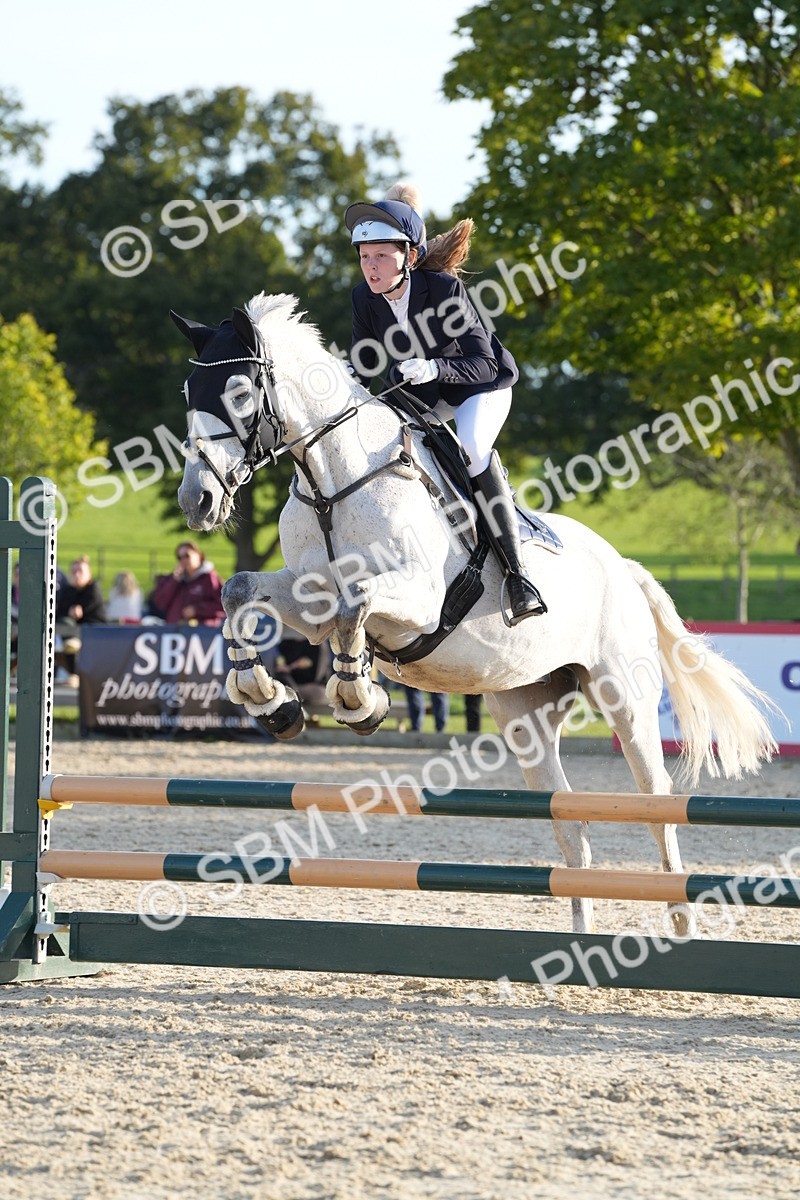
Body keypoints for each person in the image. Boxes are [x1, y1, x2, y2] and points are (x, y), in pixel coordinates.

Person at [345, 182, 547, 625]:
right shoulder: (363, 298)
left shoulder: (442, 289)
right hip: (425, 397)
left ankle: (518, 577)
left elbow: (484, 363)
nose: (371, 267)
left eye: (382, 256)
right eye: (365, 257)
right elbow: (362, 366)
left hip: (479, 388)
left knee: (471, 446)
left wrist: (435, 368)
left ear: (409, 257)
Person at [55, 556, 107, 683]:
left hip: (94, 631)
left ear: (89, 574)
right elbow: (60, 612)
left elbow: (85, 609)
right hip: (72, 633)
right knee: (65, 627)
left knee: (71, 635)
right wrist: (69, 611)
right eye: (74, 571)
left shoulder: (93, 588)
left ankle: (78, 673)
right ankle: (73, 673)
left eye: (80, 571)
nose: (77, 575)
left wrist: (76, 610)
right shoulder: (67, 590)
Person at [149, 542, 225, 625]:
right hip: (175, 629)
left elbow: (223, 605)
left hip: (203, 630)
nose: (183, 560)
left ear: (199, 555)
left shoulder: (209, 577)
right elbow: (160, 603)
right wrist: (174, 581)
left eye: (187, 556)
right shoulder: (176, 578)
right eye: (179, 557)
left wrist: (197, 610)